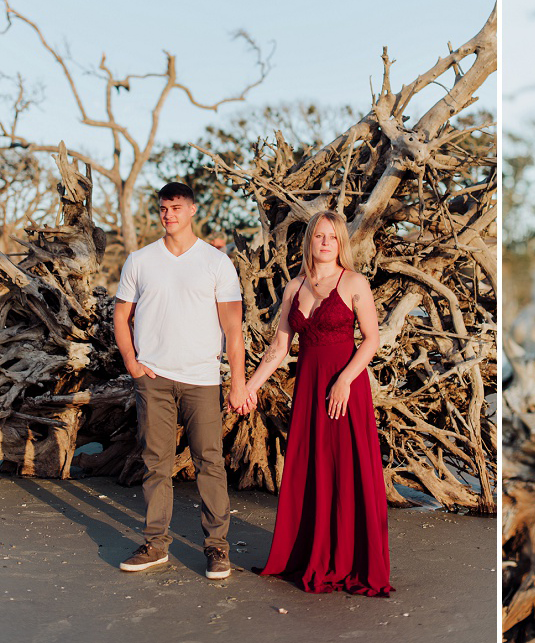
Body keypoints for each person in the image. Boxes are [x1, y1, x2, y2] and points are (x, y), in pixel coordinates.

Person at [247, 210, 393, 596]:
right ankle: (313, 552)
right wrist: (250, 387)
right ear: (309, 241)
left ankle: (349, 558)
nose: (325, 242)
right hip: (309, 389)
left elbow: (372, 340)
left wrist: (345, 379)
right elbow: (279, 347)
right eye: (319, 236)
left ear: (341, 242)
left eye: (332, 236)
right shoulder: (294, 288)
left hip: (346, 388)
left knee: (347, 468)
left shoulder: (355, 282)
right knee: (313, 468)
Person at [114, 182, 254, 581]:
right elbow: (121, 316)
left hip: (202, 380)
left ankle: (217, 550)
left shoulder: (215, 263)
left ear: (193, 209)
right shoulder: (140, 261)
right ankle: (155, 544)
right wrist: (132, 362)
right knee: (155, 464)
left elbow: (233, 329)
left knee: (209, 463)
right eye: (163, 208)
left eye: (176, 207)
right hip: (153, 379)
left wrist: (238, 383)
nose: (169, 214)